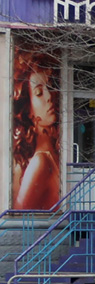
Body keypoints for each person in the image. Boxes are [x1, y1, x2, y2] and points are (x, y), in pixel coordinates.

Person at [12, 48, 61, 210]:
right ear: (29, 110)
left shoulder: (53, 154)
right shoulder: (40, 162)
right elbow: (20, 217)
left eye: (50, 87)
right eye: (39, 93)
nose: (49, 96)